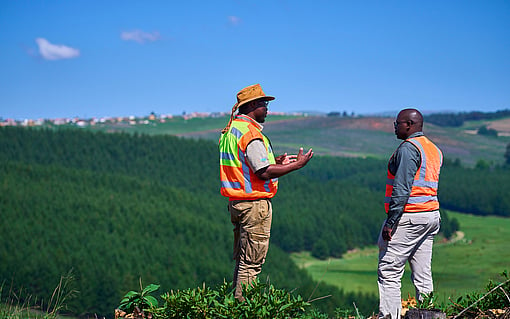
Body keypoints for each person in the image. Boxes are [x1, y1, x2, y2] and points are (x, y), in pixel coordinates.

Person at [219, 83, 313, 301]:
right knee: (251, 264)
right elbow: (263, 171)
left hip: (237, 202)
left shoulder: (231, 130)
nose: (267, 108)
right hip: (254, 206)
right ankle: (245, 310)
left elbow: (245, 165)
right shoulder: (250, 133)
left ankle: (234, 307)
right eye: (263, 103)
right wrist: (296, 165)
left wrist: (276, 161)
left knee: (242, 261)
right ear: (252, 105)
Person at [377, 108, 443, 319]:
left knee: (389, 270)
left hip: (409, 216)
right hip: (430, 215)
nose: (395, 127)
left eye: (398, 123)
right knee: (422, 273)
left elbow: (402, 188)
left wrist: (391, 222)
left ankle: (389, 316)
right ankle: (429, 314)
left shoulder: (408, 149)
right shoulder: (433, 149)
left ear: (409, 124)